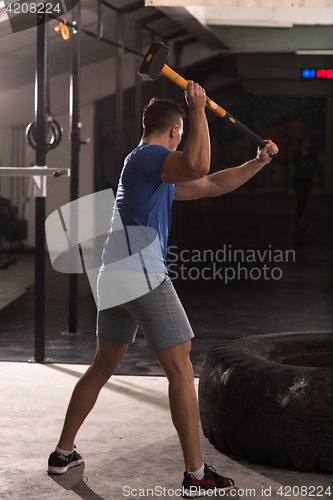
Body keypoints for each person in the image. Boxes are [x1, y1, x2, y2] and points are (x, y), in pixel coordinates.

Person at [47, 81, 278, 497]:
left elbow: (211, 184)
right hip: (140, 273)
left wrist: (256, 163)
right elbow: (199, 166)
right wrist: (199, 109)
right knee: (179, 368)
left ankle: (64, 453)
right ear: (174, 132)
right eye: (182, 134)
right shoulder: (151, 157)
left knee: (102, 366)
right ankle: (196, 475)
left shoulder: (150, 169)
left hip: (115, 275)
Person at [293, 136, 317, 228]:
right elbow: (298, 165)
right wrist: (308, 165)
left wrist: (305, 165)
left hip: (308, 180)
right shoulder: (297, 154)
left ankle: (300, 217)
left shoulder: (311, 154)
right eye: (305, 142)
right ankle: (300, 218)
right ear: (301, 143)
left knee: (305, 199)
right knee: (300, 199)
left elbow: (314, 165)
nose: (307, 144)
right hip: (298, 180)